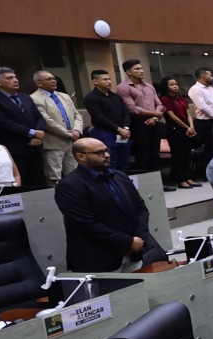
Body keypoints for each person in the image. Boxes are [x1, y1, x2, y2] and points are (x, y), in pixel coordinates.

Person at [55, 138, 166, 271]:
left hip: (133, 255)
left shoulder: (120, 177)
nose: (107, 155)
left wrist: (139, 239)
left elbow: (141, 208)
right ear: (81, 157)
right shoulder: (70, 185)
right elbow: (87, 224)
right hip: (99, 260)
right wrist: (128, 242)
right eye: (100, 153)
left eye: (107, 150)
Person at [0, 66, 48, 190]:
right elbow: (2, 122)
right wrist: (32, 133)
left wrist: (38, 134)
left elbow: (40, 118)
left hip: (35, 147)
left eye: (15, 77)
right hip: (14, 147)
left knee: (39, 182)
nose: (15, 80)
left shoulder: (25, 97)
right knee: (21, 183)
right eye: (10, 78)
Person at [30, 70, 83, 186]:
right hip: (53, 143)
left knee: (74, 174)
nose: (53, 81)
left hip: (72, 141)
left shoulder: (64, 96)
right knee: (54, 177)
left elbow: (77, 115)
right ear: (39, 83)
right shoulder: (34, 98)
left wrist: (77, 130)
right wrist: (68, 134)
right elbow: (47, 121)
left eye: (53, 78)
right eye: (49, 79)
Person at [116, 59, 165, 174]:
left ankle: (157, 184)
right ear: (128, 72)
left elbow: (159, 105)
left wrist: (155, 118)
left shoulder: (149, 86)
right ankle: (145, 185)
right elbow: (132, 109)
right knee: (143, 154)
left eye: (141, 68)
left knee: (155, 153)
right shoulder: (123, 87)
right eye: (137, 69)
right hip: (138, 123)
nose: (141, 71)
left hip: (154, 122)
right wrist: (155, 114)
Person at [83, 68, 132, 172]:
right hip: (105, 132)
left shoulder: (115, 96)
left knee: (124, 161)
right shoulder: (91, 97)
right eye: (105, 79)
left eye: (109, 79)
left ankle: (123, 184)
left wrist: (126, 127)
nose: (109, 82)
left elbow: (125, 113)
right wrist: (119, 129)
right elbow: (99, 117)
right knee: (109, 161)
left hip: (123, 133)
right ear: (95, 82)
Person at [157, 76, 199, 189]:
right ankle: (180, 179)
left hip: (187, 127)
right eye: (171, 84)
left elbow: (188, 114)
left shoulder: (181, 99)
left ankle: (188, 177)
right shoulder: (164, 99)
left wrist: (191, 126)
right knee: (178, 155)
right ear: (166, 87)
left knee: (187, 154)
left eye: (176, 84)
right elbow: (172, 116)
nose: (175, 86)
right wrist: (187, 127)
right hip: (174, 127)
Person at [188, 68, 213, 135]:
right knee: (210, 144)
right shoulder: (195, 89)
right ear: (204, 77)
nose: (212, 78)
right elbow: (203, 107)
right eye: (210, 76)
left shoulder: (211, 88)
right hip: (206, 122)